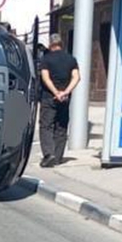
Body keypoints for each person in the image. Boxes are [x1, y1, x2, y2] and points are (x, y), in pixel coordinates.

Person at [38, 34, 80, 168]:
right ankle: (58, 156)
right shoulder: (71, 59)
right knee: (61, 126)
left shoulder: (46, 59)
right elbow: (76, 77)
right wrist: (65, 92)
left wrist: (55, 92)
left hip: (49, 97)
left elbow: (46, 78)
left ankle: (49, 154)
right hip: (65, 98)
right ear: (61, 44)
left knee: (46, 125)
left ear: (51, 45)